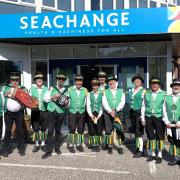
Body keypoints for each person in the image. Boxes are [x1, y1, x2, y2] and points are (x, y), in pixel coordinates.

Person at [42, 73, 68, 159]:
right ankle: (48, 150)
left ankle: (57, 148)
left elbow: (67, 105)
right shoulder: (51, 88)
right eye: (59, 79)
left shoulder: (66, 90)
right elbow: (45, 99)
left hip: (60, 112)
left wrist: (66, 103)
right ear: (57, 79)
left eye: (63, 79)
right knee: (50, 131)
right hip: (51, 112)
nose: (61, 80)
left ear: (64, 81)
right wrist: (53, 96)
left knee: (58, 131)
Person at [141, 77, 166, 164]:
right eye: (152, 84)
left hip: (159, 117)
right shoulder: (146, 93)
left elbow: (166, 108)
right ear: (151, 85)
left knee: (160, 137)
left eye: (156, 84)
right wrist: (143, 117)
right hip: (148, 117)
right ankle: (153, 154)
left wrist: (165, 119)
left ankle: (160, 155)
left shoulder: (164, 94)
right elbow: (143, 106)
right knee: (150, 136)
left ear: (159, 85)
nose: (154, 85)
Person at [3, 72, 26, 157]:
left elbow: (25, 97)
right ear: (10, 80)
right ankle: (6, 149)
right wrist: (13, 93)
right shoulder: (6, 87)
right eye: (13, 80)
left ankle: (21, 149)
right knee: (8, 130)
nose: (14, 81)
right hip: (8, 113)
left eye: (16, 80)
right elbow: (5, 94)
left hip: (19, 113)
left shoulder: (23, 88)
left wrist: (13, 94)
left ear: (19, 80)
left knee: (20, 130)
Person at [102, 75, 125, 154]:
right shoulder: (105, 91)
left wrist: (116, 110)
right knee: (108, 131)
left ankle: (119, 146)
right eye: (110, 81)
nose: (111, 82)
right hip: (108, 113)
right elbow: (104, 102)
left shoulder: (121, 91)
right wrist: (110, 111)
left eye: (113, 81)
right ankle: (110, 146)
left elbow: (122, 102)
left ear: (116, 82)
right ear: (108, 83)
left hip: (118, 113)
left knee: (119, 130)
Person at [66, 74, 88, 153]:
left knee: (81, 129)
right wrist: (67, 107)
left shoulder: (85, 90)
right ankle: (71, 145)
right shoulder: (70, 89)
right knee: (72, 129)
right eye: (78, 80)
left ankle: (79, 144)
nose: (79, 82)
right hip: (72, 112)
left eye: (80, 80)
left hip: (81, 112)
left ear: (82, 82)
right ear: (75, 81)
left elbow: (87, 101)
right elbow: (66, 101)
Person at [29, 72, 48, 153]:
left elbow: (48, 100)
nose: (39, 80)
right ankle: (36, 144)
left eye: (41, 79)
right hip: (35, 112)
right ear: (35, 80)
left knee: (43, 129)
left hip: (44, 111)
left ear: (42, 80)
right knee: (36, 129)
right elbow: (28, 100)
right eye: (37, 79)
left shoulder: (46, 89)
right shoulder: (31, 89)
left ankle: (43, 144)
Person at [163, 78, 180, 166]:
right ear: (172, 87)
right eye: (174, 86)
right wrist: (166, 121)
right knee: (173, 141)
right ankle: (176, 158)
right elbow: (164, 110)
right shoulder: (167, 97)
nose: (176, 87)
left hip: (179, 124)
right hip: (171, 124)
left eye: (177, 85)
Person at [129, 74, 146, 158]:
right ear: (133, 81)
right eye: (135, 80)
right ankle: (137, 147)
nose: (137, 81)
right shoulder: (131, 90)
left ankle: (141, 150)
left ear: (141, 82)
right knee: (135, 132)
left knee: (139, 132)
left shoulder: (143, 91)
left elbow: (144, 104)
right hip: (132, 113)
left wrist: (142, 116)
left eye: (139, 80)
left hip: (139, 113)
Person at [86, 78, 103, 152]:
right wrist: (91, 115)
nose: (95, 87)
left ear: (98, 86)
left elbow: (103, 105)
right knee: (92, 130)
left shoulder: (102, 94)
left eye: (96, 85)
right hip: (91, 114)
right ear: (92, 86)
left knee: (99, 130)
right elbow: (88, 105)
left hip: (99, 113)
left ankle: (98, 144)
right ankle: (93, 144)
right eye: (93, 85)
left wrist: (99, 114)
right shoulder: (89, 94)